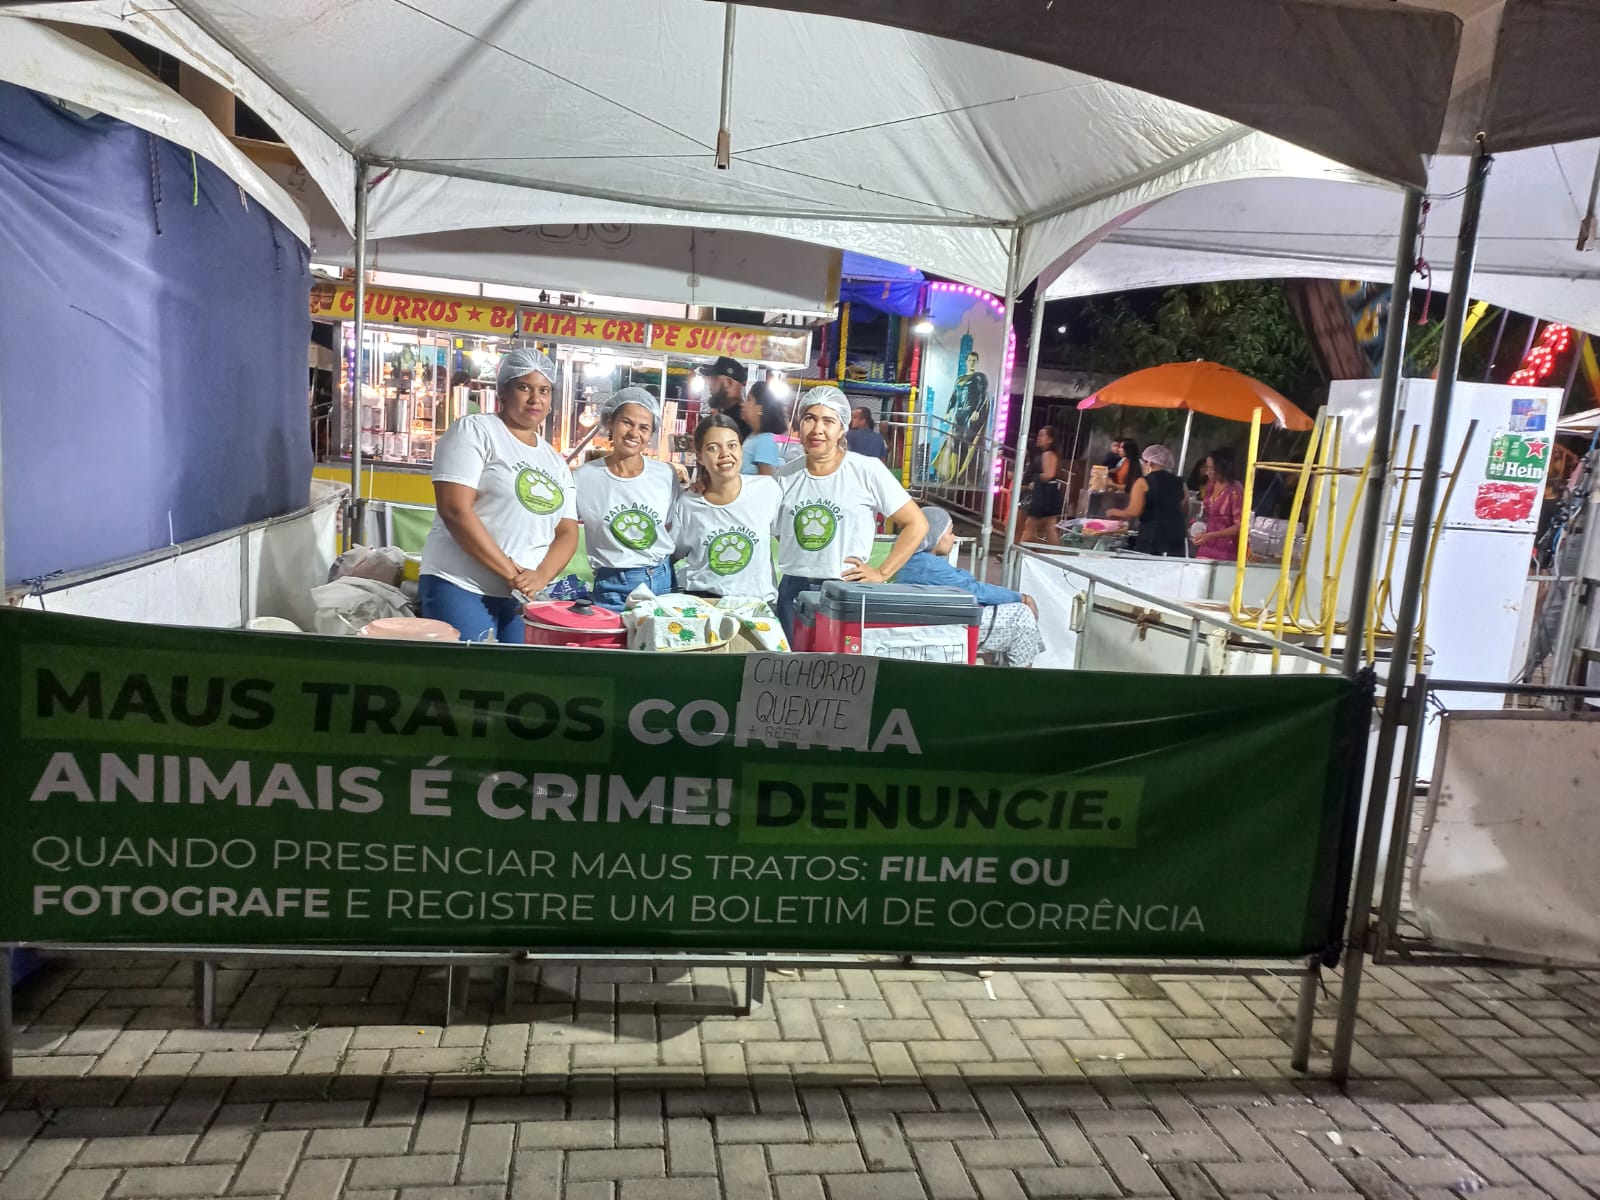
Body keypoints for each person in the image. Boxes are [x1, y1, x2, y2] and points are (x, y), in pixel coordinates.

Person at [419, 347, 578, 642]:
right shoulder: (475, 431)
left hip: (521, 598)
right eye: (524, 387)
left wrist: (540, 576)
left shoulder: (554, 460)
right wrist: (511, 573)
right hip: (460, 585)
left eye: (544, 390)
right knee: (474, 667)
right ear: (503, 391)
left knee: (515, 668)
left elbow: (567, 531)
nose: (535, 398)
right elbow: (455, 509)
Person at [774, 385, 928, 637]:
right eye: (810, 418)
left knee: (840, 661)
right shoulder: (785, 476)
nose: (817, 429)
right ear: (799, 424)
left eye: (828, 421)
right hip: (793, 590)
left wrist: (881, 573)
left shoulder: (866, 471)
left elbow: (917, 523)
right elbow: (779, 530)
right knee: (793, 660)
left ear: (842, 428)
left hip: (846, 590)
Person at [895, 507, 1045, 667]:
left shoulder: (915, 560)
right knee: (1021, 615)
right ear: (935, 536)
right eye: (950, 532)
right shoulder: (928, 566)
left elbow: (965, 581)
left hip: (936, 623)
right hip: (945, 628)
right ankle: (1023, 676)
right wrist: (1021, 598)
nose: (954, 537)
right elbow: (973, 590)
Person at [574, 386, 681, 610]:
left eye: (644, 428)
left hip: (662, 581)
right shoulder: (583, 478)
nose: (634, 433)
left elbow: (671, 527)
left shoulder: (665, 474)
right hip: (613, 587)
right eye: (627, 422)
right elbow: (561, 529)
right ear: (610, 422)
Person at [672, 414, 781, 602]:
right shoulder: (688, 503)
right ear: (700, 456)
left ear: (741, 449)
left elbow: (787, 540)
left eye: (732, 445)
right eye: (713, 448)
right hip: (704, 604)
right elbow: (670, 555)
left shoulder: (767, 490)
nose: (725, 454)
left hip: (755, 606)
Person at [1106, 444, 1187, 557]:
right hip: (1176, 537)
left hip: (1152, 536)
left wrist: (1113, 512)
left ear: (1150, 463)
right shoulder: (1180, 482)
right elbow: (1184, 507)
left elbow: (1133, 512)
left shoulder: (1142, 482)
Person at [1194, 446, 1247, 560]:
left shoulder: (1235, 489)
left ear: (1223, 468)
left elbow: (1239, 526)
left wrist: (1210, 535)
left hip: (1226, 549)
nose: (1207, 472)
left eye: (1211, 468)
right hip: (1207, 545)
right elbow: (1209, 515)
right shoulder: (1210, 485)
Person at [1020, 426, 1065, 546]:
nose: (1038, 438)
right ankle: (1053, 553)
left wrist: (1035, 478)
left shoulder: (1047, 454)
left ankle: (1019, 552)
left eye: (1042, 435)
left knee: (1030, 525)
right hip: (1049, 492)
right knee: (1049, 527)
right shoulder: (1049, 454)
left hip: (1044, 494)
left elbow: (1049, 474)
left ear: (1050, 439)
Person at [738, 381, 788, 477]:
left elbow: (766, 479)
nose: (743, 404)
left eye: (749, 400)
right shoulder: (753, 437)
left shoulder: (765, 441)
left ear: (760, 408)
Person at [698, 355, 750, 439]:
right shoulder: (731, 416)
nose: (709, 384)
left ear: (728, 383)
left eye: (714, 379)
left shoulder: (740, 421)